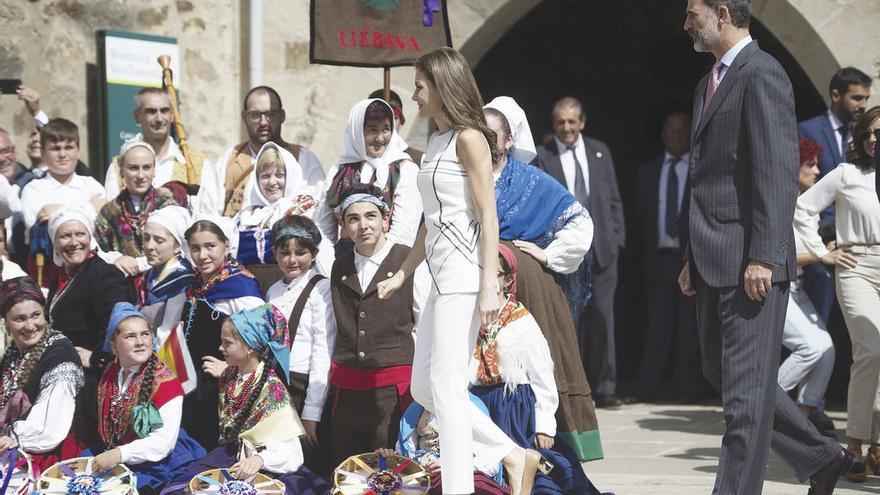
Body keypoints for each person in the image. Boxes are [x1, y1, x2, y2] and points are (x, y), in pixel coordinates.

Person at [678, 1, 850, 493]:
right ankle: (819, 457)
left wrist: (765, 256)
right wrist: (691, 253)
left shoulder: (764, 73)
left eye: (693, 12)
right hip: (711, 256)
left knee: (744, 402)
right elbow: (704, 176)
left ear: (723, 13)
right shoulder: (707, 82)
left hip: (750, 262)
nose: (686, 23)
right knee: (726, 375)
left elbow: (776, 175)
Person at [377, 47, 541, 495]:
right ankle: (510, 453)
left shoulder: (471, 138)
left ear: (442, 86)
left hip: (467, 279)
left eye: (419, 86)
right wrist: (403, 273)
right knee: (425, 388)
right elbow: (432, 222)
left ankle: (458, 489)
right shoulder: (434, 142)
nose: (413, 95)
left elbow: (488, 216)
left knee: (447, 390)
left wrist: (489, 285)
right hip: (439, 280)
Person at [483, 97, 602, 461]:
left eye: (492, 137)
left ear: (508, 142)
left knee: (533, 370)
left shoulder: (532, 182)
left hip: (527, 295)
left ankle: (545, 453)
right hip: (475, 291)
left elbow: (580, 223)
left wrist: (547, 254)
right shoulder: (461, 178)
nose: (484, 144)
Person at [471, 245, 602, 495]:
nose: (485, 280)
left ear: (508, 279)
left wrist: (544, 425)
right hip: (482, 409)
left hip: (514, 413)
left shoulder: (522, 322)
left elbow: (543, 377)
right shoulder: (470, 319)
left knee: (540, 478)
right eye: (480, 271)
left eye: (493, 274)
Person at [793, 107, 880, 482]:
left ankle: (875, 444)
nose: (875, 139)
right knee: (872, 350)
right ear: (860, 139)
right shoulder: (847, 173)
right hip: (857, 265)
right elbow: (804, 208)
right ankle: (855, 445)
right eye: (869, 134)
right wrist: (821, 252)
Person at [165, 304, 330, 495]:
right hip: (229, 455)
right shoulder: (231, 376)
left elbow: (292, 452)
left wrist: (259, 460)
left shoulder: (271, 389)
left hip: (264, 465)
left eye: (227, 343)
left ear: (250, 347)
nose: (220, 348)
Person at [326, 184, 429, 467]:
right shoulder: (339, 266)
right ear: (343, 226)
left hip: (394, 391)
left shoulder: (408, 260)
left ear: (386, 219)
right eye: (353, 219)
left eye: (370, 216)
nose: (363, 225)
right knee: (348, 471)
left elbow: (424, 325)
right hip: (347, 393)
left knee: (392, 473)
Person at [534, 97, 625, 409]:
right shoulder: (543, 156)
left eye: (572, 122)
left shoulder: (599, 151)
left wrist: (616, 238)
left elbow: (613, 199)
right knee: (568, 321)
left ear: (582, 123)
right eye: (561, 122)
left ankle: (606, 386)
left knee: (603, 317)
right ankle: (572, 389)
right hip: (563, 250)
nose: (567, 128)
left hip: (601, 250)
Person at [87, 302, 206, 493]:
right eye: (130, 336)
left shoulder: (165, 382)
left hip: (157, 461)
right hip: (114, 450)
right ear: (114, 346)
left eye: (144, 334)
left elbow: (162, 442)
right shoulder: (111, 372)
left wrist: (119, 454)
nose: (140, 342)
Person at [631, 112, 705, 402]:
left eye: (681, 131)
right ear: (663, 135)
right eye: (670, 131)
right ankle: (649, 386)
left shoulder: (701, 171)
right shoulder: (647, 172)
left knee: (689, 326)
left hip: (690, 258)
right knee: (657, 325)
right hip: (657, 258)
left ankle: (688, 387)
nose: (676, 136)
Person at [46, 205, 135, 441]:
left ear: (90, 237)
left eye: (80, 234)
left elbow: (121, 324)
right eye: (65, 236)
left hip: (95, 380)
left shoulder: (102, 274)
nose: (74, 242)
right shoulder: (63, 277)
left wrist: (97, 357)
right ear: (55, 242)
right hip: (67, 375)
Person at [179, 215, 263, 450]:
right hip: (194, 390)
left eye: (210, 246)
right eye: (195, 248)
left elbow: (264, 343)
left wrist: (229, 370)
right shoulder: (195, 285)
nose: (202, 255)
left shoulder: (241, 287)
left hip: (223, 391)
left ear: (226, 245)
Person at [797, 67, 872, 324]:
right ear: (836, 95)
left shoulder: (867, 138)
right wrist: (821, 246)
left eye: (866, 98)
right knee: (822, 319)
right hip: (820, 242)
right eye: (857, 98)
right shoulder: (807, 130)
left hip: (860, 243)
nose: (863, 105)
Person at [778, 138, 838, 437]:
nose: (816, 171)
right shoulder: (780, 203)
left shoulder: (809, 204)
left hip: (797, 288)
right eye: (809, 164)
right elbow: (782, 256)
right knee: (811, 346)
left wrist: (830, 250)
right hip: (777, 290)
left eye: (817, 164)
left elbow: (816, 251)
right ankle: (763, 405)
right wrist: (822, 254)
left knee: (826, 348)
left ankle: (802, 416)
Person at [265, 215, 335, 469]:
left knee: (306, 463)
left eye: (301, 252)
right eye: (284, 252)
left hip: (303, 387)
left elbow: (323, 352)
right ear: (274, 252)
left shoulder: (321, 288)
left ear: (314, 254)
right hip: (275, 386)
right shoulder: (273, 291)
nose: (292, 260)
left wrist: (311, 413)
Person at [196, 86, 324, 218]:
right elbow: (207, 214)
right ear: (244, 118)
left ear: (282, 116)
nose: (263, 122)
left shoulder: (303, 159)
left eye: (271, 115)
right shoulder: (229, 160)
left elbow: (317, 212)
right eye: (255, 115)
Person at [0, 277, 86, 472]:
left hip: (46, 454)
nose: (30, 326)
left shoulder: (60, 356)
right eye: (19, 319)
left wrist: (12, 437)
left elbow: (48, 427)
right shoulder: (14, 353)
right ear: (6, 322)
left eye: (36, 315)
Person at [314, 99, 422, 248]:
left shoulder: (405, 169)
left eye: (385, 129)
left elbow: (403, 232)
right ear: (357, 132)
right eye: (372, 130)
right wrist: (332, 264)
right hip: (344, 263)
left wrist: (372, 264)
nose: (380, 138)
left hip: (389, 262)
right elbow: (323, 230)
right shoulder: (340, 171)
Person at [19, 119, 105, 287]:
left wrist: (58, 210)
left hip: (92, 268)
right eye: (56, 148)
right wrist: (89, 207)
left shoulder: (91, 185)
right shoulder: (34, 189)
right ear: (43, 153)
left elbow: (103, 222)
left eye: (69, 147)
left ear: (78, 151)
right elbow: (41, 227)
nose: (63, 154)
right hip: (49, 273)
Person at [234, 142, 329, 270]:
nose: (272, 182)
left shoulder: (305, 210)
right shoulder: (246, 216)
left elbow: (323, 255)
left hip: (293, 285)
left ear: (290, 176)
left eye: (279, 175)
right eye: (265, 176)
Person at [385, 397, 508, 495]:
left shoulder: (473, 406)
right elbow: (405, 455)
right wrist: (388, 460)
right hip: (425, 476)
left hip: (466, 473)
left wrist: (456, 467)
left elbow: (492, 462)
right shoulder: (415, 410)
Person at [102, 88, 207, 200]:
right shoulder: (119, 166)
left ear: (172, 116)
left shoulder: (198, 164)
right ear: (137, 117)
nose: (159, 118)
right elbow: (112, 212)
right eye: (151, 111)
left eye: (164, 111)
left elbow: (208, 212)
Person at [95, 141, 180, 279]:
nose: (140, 176)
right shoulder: (109, 212)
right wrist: (115, 258)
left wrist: (139, 263)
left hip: (165, 283)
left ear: (154, 170)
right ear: (121, 171)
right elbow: (97, 249)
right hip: (122, 284)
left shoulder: (169, 206)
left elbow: (180, 248)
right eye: (133, 168)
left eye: (146, 167)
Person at [140, 205, 194, 345]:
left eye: (159, 240)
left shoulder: (180, 278)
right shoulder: (150, 273)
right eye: (146, 238)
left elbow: (168, 330)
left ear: (177, 246)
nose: (149, 246)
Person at [368, 88, 424, 164]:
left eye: (394, 118)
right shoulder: (355, 164)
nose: (387, 123)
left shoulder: (419, 160)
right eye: (378, 118)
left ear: (401, 122)